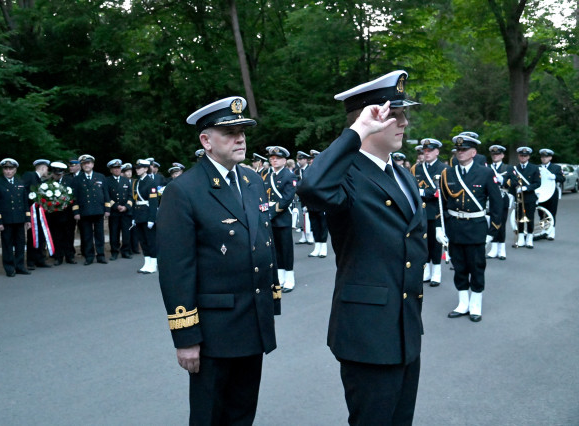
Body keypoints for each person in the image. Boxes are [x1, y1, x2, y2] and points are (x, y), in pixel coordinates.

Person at [297, 70, 426, 425]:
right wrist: (355, 133)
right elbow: (311, 188)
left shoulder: (400, 173)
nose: (405, 121)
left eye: (405, 113)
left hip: (404, 328)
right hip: (368, 334)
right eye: (394, 114)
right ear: (370, 119)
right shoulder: (347, 174)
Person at [157, 96, 280, 425]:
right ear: (206, 141)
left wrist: (272, 301)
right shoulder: (184, 190)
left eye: (242, 131)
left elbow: (263, 243)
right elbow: (176, 271)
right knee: (210, 416)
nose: (240, 138)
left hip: (252, 322)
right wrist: (186, 337)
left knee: (242, 413)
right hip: (214, 333)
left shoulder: (253, 181)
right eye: (229, 131)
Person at [436, 133, 503, 322]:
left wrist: (493, 230)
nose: (460, 153)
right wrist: (440, 228)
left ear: (473, 152)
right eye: (458, 150)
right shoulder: (447, 173)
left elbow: (497, 204)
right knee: (459, 267)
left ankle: (475, 305)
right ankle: (462, 303)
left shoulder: (485, 173)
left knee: (476, 266)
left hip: (476, 228)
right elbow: (442, 202)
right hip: (455, 227)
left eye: (464, 150)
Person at [412, 138, 447, 287]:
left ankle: (436, 273)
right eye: (424, 151)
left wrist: (422, 191)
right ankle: (426, 271)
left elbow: (441, 192)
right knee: (423, 243)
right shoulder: (416, 169)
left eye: (430, 151)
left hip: (436, 212)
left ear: (437, 152)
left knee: (435, 243)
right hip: (422, 212)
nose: (426, 153)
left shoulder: (444, 169)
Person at [0, 158, 32, 277]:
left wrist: (27, 219)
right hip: (6, 220)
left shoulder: (20, 182)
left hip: (19, 219)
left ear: (15, 170)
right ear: (3, 170)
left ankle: (20, 266)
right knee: (7, 244)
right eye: (6, 169)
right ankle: (9, 267)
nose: (8, 171)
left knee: (20, 243)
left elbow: (25, 202)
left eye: (11, 169)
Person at [264, 146, 297, 292]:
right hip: (271, 218)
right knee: (275, 249)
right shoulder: (267, 176)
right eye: (271, 158)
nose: (274, 160)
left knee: (286, 249)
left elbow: (287, 199)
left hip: (282, 217)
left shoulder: (289, 176)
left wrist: (271, 212)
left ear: (284, 160)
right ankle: (280, 277)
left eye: (277, 158)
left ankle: (290, 278)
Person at [71, 154, 111, 265]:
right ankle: (89, 257)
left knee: (99, 235)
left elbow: (105, 194)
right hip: (84, 211)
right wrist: (76, 212)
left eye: (88, 163)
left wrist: (107, 209)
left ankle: (101, 255)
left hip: (98, 210)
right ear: (81, 166)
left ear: (92, 164)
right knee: (86, 235)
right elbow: (74, 198)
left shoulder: (100, 177)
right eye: (84, 164)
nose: (86, 165)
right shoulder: (77, 179)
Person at [23, 159, 52, 269]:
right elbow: (23, 192)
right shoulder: (30, 176)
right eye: (46, 169)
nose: (47, 171)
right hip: (32, 212)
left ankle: (40, 259)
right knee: (32, 236)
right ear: (43, 168)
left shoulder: (40, 180)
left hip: (40, 213)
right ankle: (31, 261)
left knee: (41, 235)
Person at [510, 146, 541, 248]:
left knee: (530, 218)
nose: (523, 157)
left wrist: (526, 188)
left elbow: (537, 183)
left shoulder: (534, 168)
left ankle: (529, 239)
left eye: (525, 156)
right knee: (518, 218)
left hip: (529, 197)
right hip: (518, 198)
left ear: (528, 157)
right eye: (521, 155)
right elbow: (512, 183)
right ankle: (521, 238)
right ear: (518, 156)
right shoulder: (515, 169)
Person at [132, 159, 159, 274]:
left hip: (147, 214)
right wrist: (134, 217)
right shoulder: (136, 182)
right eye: (137, 168)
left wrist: (152, 218)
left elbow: (153, 202)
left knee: (151, 241)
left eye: (140, 168)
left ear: (146, 169)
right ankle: (146, 262)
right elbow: (134, 201)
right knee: (142, 241)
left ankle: (153, 263)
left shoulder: (151, 182)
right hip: (139, 215)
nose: (137, 170)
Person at [46, 162, 76, 265]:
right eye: (55, 173)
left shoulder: (70, 181)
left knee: (69, 235)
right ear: (52, 173)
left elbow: (75, 196)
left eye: (59, 174)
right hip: (54, 215)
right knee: (56, 236)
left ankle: (70, 256)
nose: (57, 176)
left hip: (68, 214)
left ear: (63, 173)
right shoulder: (47, 183)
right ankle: (58, 257)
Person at [486, 145, 512, 260]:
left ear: (502, 155)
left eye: (497, 154)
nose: (495, 156)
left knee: (501, 223)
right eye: (493, 154)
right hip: (489, 199)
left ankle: (502, 249)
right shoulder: (487, 167)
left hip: (502, 196)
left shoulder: (508, 168)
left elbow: (514, 183)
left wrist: (503, 180)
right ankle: (493, 248)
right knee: (491, 223)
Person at [106, 159, 133, 260]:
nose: (117, 170)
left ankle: (125, 251)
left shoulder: (126, 180)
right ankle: (114, 252)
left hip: (125, 212)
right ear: (111, 170)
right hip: (114, 212)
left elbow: (130, 196)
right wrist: (116, 206)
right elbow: (107, 196)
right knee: (114, 233)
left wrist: (126, 206)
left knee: (126, 233)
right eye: (114, 168)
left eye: (118, 168)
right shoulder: (107, 181)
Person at [307, 149, 329, 259]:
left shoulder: (325, 171)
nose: (311, 161)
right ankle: (317, 246)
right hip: (311, 204)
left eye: (313, 159)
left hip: (322, 203)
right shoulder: (307, 171)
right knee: (314, 226)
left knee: (323, 226)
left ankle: (323, 246)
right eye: (310, 159)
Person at [538, 148, 564, 240]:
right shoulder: (538, 168)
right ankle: (543, 230)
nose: (544, 158)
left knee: (551, 213)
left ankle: (551, 232)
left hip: (552, 193)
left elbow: (562, 179)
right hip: (541, 193)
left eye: (546, 157)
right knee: (541, 213)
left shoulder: (556, 168)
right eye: (542, 157)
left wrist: (555, 177)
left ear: (550, 158)